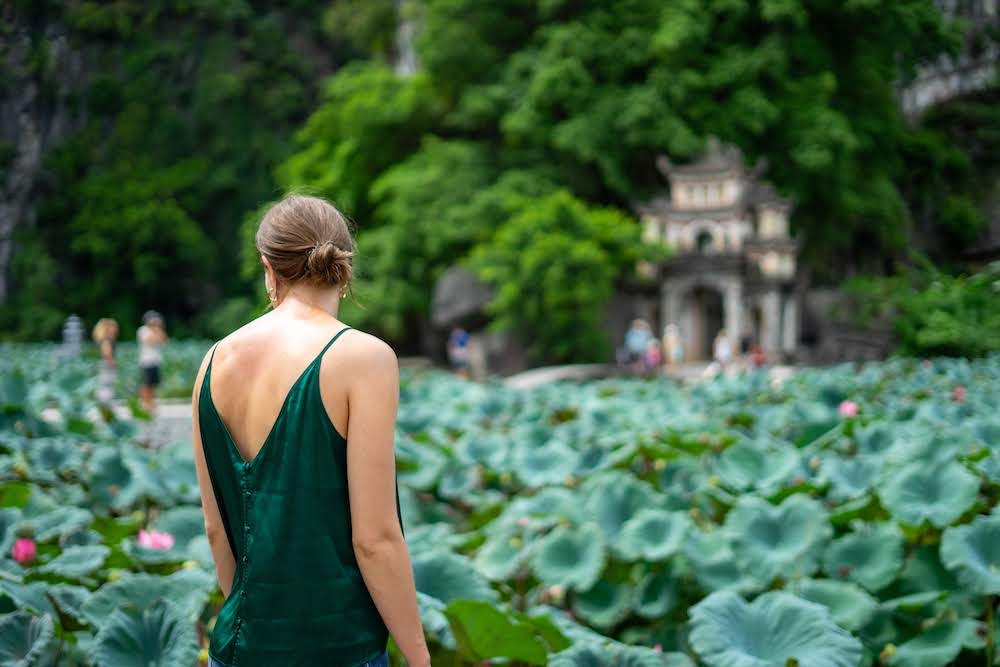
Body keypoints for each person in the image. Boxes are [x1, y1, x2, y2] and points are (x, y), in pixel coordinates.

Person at [190, 194, 429, 667]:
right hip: (337, 648)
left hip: (238, 648)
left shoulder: (212, 362)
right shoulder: (364, 358)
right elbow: (375, 538)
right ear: (344, 265)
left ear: (268, 268)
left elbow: (217, 531)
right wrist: (419, 658)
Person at [137, 311, 168, 412]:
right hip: (147, 361)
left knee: (153, 384)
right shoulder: (143, 330)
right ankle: (144, 403)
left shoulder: (157, 330)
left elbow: (165, 341)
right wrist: (155, 330)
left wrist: (158, 330)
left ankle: (151, 402)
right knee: (146, 383)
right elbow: (151, 341)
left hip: (155, 361)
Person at [92, 318, 119, 403]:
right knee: (107, 387)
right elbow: (107, 353)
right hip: (107, 366)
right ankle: (105, 405)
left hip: (104, 365)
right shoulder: (106, 340)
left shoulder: (102, 339)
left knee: (104, 387)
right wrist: (112, 363)